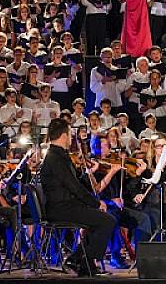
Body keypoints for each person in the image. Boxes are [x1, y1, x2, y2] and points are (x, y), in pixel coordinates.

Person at [39, 118, 116, 276]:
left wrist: (89, 174)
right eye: (70, 134)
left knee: (99, 222)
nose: (71, 138)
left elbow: (74, 182)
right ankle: (85, 264)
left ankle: (76, 259)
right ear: (63, 136)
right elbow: (73, 187)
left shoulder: (57, 155)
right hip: (61, 209)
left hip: (65, 206)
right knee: (107, 221)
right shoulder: (55, 158)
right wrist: (95, 203)